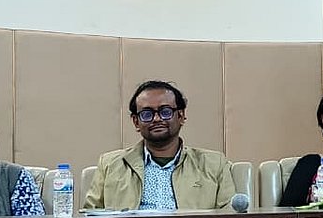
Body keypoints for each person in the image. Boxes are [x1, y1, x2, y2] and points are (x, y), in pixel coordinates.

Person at [84, 80, 236, 211]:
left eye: (165, 111)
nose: (156, 119)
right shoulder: (110, 164)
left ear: (181, 116)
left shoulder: (214, 164)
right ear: (136, 122)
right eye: (147, 114)